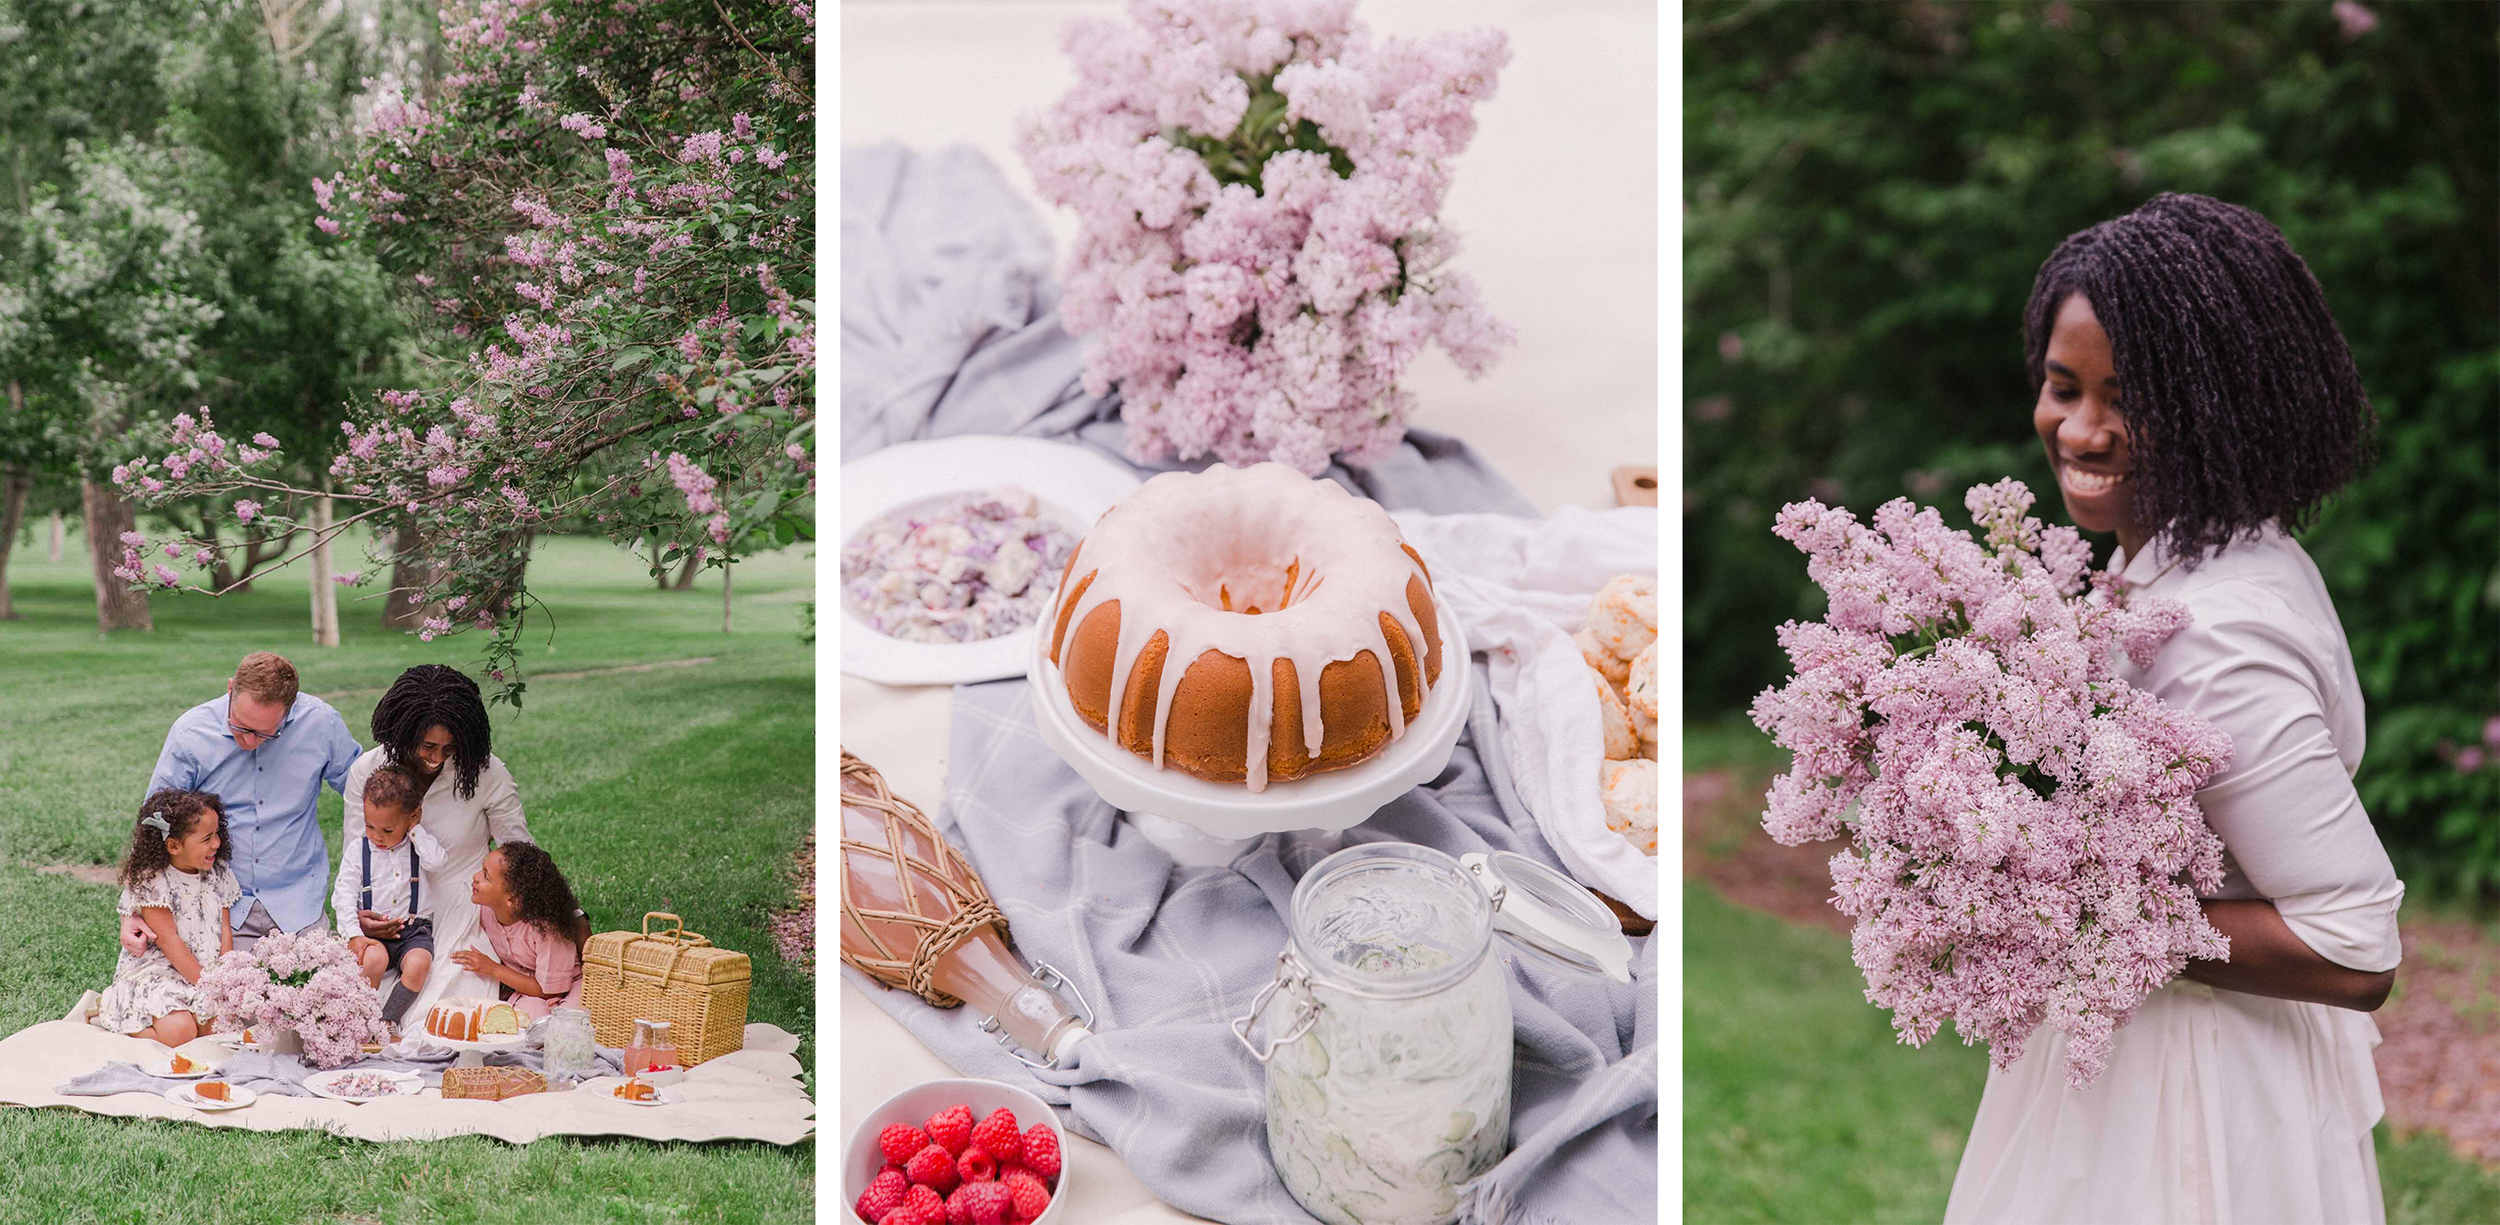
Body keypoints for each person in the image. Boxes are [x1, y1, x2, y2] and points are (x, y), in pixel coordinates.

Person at [1945, 193, 2403, 1224]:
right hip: (2152, 1054)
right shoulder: (2199, 550)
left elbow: (2354, 940)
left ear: (2219, 404)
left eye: (2129, 398)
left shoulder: (2216, 630)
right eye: (2062, 387)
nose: (2082, 427)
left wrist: (2070, 909)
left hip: (2189, 1101)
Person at [127, 652, 362, 955]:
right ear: (230, 689)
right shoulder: (190, 733)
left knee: (320, 996)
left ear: (290, 711)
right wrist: (134, 909)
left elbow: (365, 796)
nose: (250, 741)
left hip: (299, 902)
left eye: (266, 733)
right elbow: (154, 822)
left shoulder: (322, 724)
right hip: (215, 904)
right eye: (241, 726)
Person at [342, 664, 531, 1021]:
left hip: (462, 910)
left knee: (439, 1018)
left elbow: (520, 853)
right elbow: (357, 853)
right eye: (427, 746)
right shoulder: (367, 770)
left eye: (448, 748)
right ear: (402, 731)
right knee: (359, 1010)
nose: (436, 758)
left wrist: (564, 913)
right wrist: (359, 919)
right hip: (387, 915)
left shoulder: (485, 773)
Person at [96, 791, 239, 1046]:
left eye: (217, 834)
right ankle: (119, 1014)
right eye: (207, 838)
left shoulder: (219, 873)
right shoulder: (154, 881)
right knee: (180, 1031)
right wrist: (208, 987)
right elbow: (169, 942)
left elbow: (224, 930)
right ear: (173, 846)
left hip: (205, 974)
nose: (216, 843)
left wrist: (224, 982)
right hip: (161, 973)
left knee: (220, 1028)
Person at [334, 764, 443, 1022]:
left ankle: (388, 1020)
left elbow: (437, 862)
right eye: (369, 826)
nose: (376, 836)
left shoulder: (418, 845)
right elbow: (344, 894)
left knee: (419, 964)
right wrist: (353, 934)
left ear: (412, 816)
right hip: (375, 933)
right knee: (372, 960)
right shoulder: (358, 851)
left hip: (413, 930)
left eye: (387, 830)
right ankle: (361, 1018)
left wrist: (414, 830)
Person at [450, 841, 589, 1021]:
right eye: (481, 869)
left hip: (565, 986)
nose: (475, 877)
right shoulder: (485, 911)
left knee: (571, 1021)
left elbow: (552, 991)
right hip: (528, 987)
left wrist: (493, 969)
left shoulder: (547, 930)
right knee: (523, 1020)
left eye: (486, 876)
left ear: (513, 900)